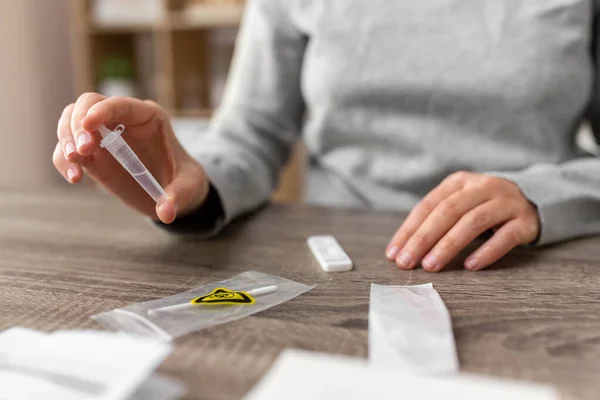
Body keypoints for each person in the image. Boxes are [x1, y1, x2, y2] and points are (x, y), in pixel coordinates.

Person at [53, 0, 600, 272]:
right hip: (346, 266)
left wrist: (538, 197)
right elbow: (250, 135)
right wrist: (189, 182)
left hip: (532, 263)